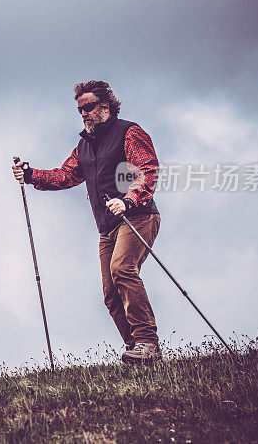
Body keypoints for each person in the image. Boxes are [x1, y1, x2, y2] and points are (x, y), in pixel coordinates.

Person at [12, 80, 162, 363]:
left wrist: (128, 200)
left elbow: (147, 171)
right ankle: (136, 352)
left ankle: (147, 343)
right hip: (107, 229)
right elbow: (65, 175)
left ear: (106, 107)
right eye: (80, 109)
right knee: (110, 293)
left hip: (137, 217)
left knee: (122, 269)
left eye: (89, 107)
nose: (84, 113)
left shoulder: (129, 132)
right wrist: (31, 174)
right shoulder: (85, 144)